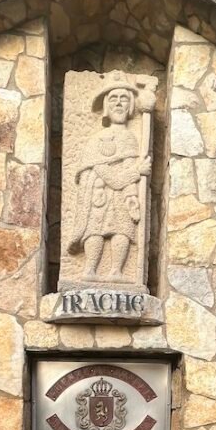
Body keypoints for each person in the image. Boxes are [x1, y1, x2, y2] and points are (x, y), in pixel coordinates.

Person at [67, 73, 152, 279]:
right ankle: (89, 270)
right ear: (106, 105)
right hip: (99, 195)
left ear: (131, 105)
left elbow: (129, 166)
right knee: (94, 230)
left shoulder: (131, 138)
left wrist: (132, 196)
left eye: (124, 98)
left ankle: (116, 271)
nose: (119, 103)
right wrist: (136, 172)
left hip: (122, 197)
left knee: (122, 229)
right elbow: (104, 173)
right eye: (113, 98)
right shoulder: (96, 139)